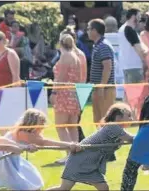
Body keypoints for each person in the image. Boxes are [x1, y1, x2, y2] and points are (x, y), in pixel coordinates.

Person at [47, 103, 135, 191]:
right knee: (64, 189)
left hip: (91, 165)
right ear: (119, 117)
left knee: (104, 187)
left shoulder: (116, 128)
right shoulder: (113, 127)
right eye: (129, 116)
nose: (131, 119)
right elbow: (131, 139)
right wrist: (146, 137)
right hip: (79, 161)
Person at [0, 109, 81, 190]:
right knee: (22, 184)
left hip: (12, 157)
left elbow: (43, 141)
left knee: (32, 178)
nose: (43, 126)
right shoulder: (24, 133)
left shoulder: (27, 132)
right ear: (34, 124)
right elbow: (45, 142)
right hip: (4, 159)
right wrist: (69, 145)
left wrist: (69, 145)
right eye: (41, 123)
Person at [51, 30, 86, 165]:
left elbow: (61, 78)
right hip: (73, 94)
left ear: (60, 43)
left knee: (61, 126)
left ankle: (68, 154)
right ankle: (75, 153)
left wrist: (54, 93)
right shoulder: (76, 56)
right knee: (72, 126)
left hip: (64, 93)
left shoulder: (66, 56)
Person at [88, 19, 117, 130]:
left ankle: (107, 143)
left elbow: (107, 67)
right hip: (99, 88)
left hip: (105, 89)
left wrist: (101, 86)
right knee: (97, 119)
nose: (87, 32)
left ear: (95, 30)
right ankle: (100, 143)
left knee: (105, 119)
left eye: (89, 29)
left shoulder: (103, 46)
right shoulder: (97, 45)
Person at [118, 8, 148, 85]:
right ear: (133, 16)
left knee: (128, 92)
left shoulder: (122, 28)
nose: (140, 18)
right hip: (134, 67)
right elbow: (138, 48)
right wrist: (144, 62)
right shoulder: (129, 29)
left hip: (126, 66)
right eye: (139, 16)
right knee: (136, 93)